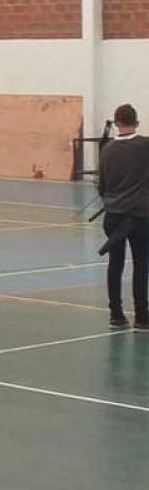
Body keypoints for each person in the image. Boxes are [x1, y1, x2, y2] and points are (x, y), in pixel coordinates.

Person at [96, 103, 149, 330]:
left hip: (114, 216)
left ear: (117, 123)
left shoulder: (106, 149)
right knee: (141, 264)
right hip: (139, 215)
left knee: (115, 264)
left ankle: (116, 314)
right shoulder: (145, 146)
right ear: (136, 122)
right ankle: (141, 316)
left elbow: (103, 186)